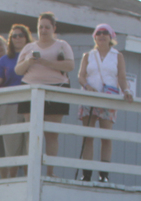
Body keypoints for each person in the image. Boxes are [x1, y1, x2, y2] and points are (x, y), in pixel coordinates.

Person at [14, 12, 75, 178]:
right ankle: (31, 171)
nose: (44, 30)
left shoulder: (62, 45)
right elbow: (18, 70)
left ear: (54, 28)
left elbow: (70, 65)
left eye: (47, 27)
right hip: (30, 89)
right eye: (41, 27)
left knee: (51, 134)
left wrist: (48, 63)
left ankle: (50, 171)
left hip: (55, 89)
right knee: (32, 132)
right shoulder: (28, 48)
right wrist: (29, 62)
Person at [76, 23, 131, 182]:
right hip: (89, 97)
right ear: (94, 37)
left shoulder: (117, 56)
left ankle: (104, 174)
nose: (101, 36)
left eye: (105, 33)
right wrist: (87, 87)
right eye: (98, 33)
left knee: (106, 136)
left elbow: (121, 77)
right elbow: (81, 76)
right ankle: (86, 174)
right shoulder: (88, 55)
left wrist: (126, 90)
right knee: (88, 136)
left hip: (108, 97)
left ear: (111, 36)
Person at [0, 25, 29, 178]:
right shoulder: (5, 60)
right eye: (14, 36)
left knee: (30, 148)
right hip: (10, 106)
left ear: (27, 37)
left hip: (31, 104)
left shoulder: (33, 55)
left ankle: (29, 182)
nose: (17, 38)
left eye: (20, 35)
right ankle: (11, 182)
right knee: (12, 149)